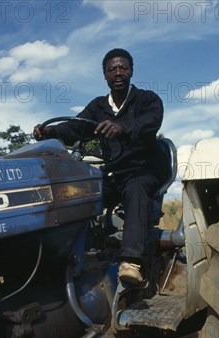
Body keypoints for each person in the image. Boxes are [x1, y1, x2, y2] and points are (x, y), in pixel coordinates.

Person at [33, 48, 164, 284]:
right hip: (113, 173)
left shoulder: (147, 99)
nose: (118, 72)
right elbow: (75, 127)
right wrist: (50, 132)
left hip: (142, 170)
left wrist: (123, 128)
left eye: (123, 67)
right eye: (111, 69)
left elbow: (151, 121)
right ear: (104, 75)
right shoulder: (98, 106)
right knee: (80, 192)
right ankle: (72, 253)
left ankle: (131, 261)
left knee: (135, 188)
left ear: (131, 71)